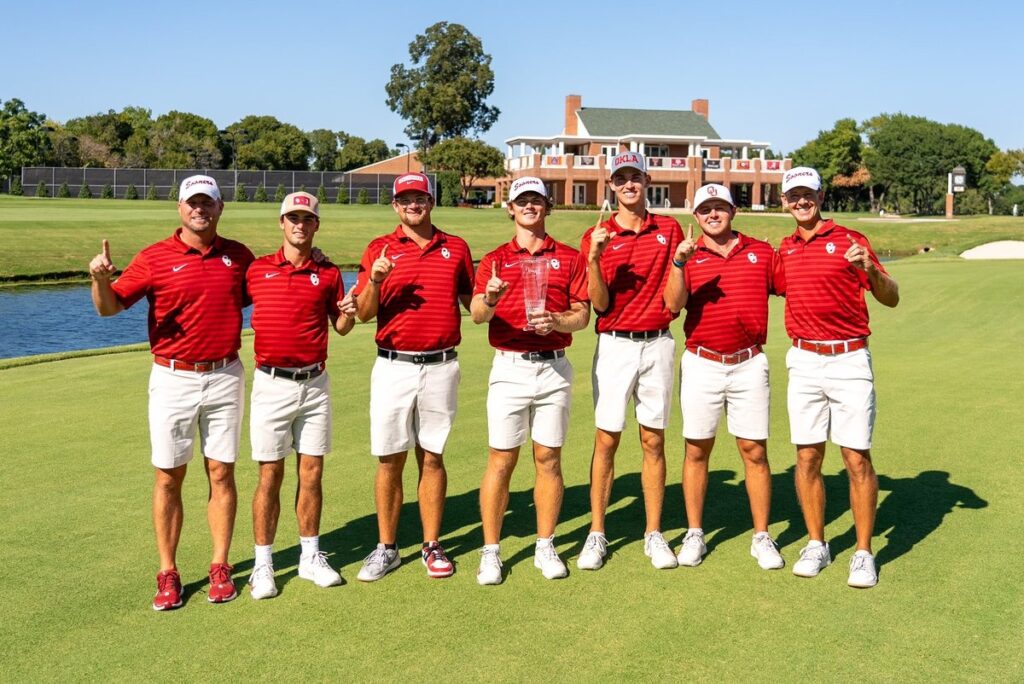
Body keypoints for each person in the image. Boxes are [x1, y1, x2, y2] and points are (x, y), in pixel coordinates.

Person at [88, 175, 254, 610]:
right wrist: (101, 279)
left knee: (221, 473)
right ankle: (168, 571)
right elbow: (107, 309)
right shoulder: (154, 257)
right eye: (192, 203)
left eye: (208, 202)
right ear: (180, 208)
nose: (200, 209)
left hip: (225, 374)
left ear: (220, 207)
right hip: (173, 377)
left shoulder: (238, 256)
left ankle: (220, 565)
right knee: (168, 476)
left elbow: (272, 290)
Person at [778, 166, 900, 588]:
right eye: (793, 196)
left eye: (807, 194)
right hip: (804, 360)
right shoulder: (785, 248)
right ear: (784, 201)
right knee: (808, 456)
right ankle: (817, 543)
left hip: (849, 359)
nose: (801, 202)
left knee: (855, 457)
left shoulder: (851, 241)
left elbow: (891, 297)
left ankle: (864, 552)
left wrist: (869, 268)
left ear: (820, 196)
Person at [353, 172, 474, 581]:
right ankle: (387, 547)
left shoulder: (455, 248)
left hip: (441, 365)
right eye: (405, 199)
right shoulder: (379, 249)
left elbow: (471, 302)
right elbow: (365, 312)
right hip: (393, 366)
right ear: (395, 205)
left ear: (430, 201)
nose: (413, 205)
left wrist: (492, 296)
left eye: (419, 197)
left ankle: (431, 544)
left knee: (433, 456)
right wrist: (376, 279)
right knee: (390, 459)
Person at [471, 176, 589, 585]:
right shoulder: (494, 259)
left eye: (537, 200)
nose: (529, 207)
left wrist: (556, 321)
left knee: (549, 459)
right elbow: (476, 315)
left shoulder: (570, 257)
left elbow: (582, 315)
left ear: (547, 207)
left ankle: (545, 544)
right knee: (501, 459)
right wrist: (490, 297)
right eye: (522, 201)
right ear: (510, 207)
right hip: (510, 367)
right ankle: (491, 550)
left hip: (554, 367)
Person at [663, 184, 785, 570]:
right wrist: (679, 264)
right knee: (697, 449)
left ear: (733, 210)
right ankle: (695, 532)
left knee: (754, 451)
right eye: (705, 210)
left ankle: (761, 535)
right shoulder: (687, 254)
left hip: (749, 363)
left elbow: (789, 287)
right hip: (702, 362)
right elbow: (671, 304)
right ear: (695, 217)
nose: (712, 215)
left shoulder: (761, 252)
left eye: (719, 207)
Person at [245, 192, 358, 599]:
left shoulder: (328, 273)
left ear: (316, 226)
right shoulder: (255, 269)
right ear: (281, 223)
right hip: (271, 384)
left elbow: (342, 327)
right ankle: (263, 565)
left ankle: (310, 556)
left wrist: (352, 308)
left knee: (312, 473)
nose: (299, 225)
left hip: (314, 384)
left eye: (307, 219)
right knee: (270, 474)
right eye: (292, 218)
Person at [577, 152, 683, 571]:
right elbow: (599, 306)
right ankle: (597, 533)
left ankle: (653, 533)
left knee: (653, 439)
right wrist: (595, 258)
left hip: (658, 342)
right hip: (615, 345)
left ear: (646, 180)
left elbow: (677, 298)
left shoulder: (669, 229)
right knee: (607, 439)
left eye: (635, 177)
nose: (628, 185)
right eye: (621, 179)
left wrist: (679, 262)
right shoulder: (596, 235)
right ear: (612, 185)